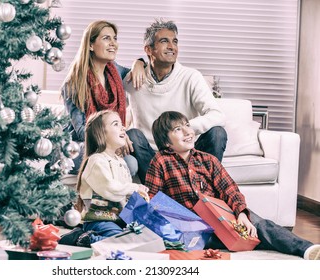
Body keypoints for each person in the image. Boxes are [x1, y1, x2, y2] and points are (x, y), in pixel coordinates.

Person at [144, 110, 320, 260]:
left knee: (260, 226)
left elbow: (229, 189)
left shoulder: (208, 160)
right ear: (167, 142)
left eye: (187, 125)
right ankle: (226, 241)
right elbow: (153, 199)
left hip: (220, 218)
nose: (187, 131)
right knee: (191, 239)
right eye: (177, 129)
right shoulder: (161, 161)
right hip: (190, 226)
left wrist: (241, 213)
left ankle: (307, 249)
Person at [123, 19, 227, 184]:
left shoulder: (191, 76)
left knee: (217, 133)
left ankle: (203, 192)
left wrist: (182, 130)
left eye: (175, 41)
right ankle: (163, 194)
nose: (172, 46)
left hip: (188, 153)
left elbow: (218, 115)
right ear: (148, 49)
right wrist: (138, 62)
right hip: (154, 157)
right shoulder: (133, 79)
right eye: (164, 41)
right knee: (133, 135)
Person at [61, 20, 145, 176]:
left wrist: (139, 62)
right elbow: (81, 131)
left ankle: (157, 196)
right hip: (80, 145)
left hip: (108, 141)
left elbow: (138, 71)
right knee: (129, 165)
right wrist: (115, 138)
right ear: (91, 45)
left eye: (115, 38)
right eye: (107, 38)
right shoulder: (73, 83)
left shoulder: (115, 71)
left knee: (132, 151)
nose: (113, 43)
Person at [60, 110, 149, 247]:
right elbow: (111, 189)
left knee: (144, 238)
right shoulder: (96, 161)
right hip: (99, 220)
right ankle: (85, 238)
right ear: (101, 133)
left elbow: (123, 198)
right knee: (122, 245)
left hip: (118, 219)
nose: (123, 127)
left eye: (121, 124)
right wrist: (135, 187)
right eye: (115, 124)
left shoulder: (120, 161)